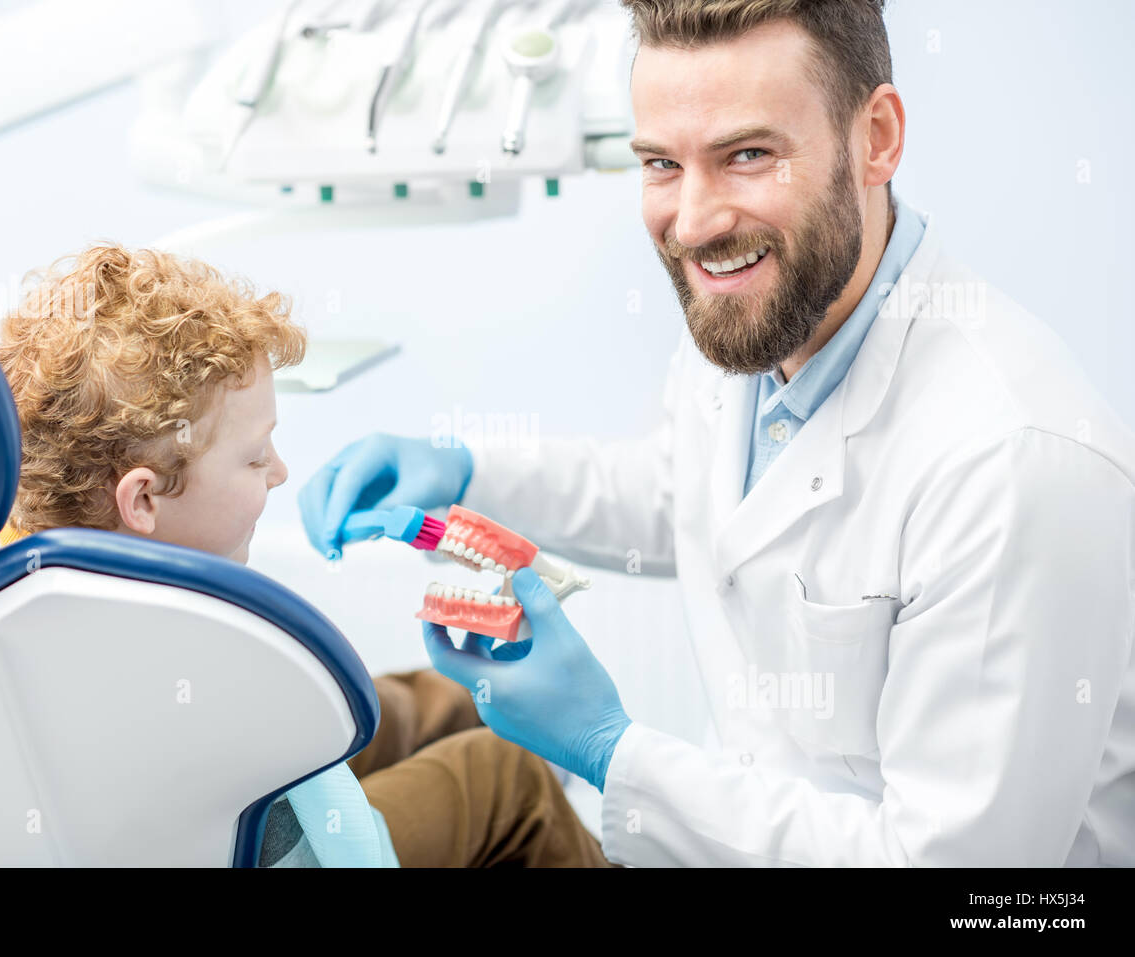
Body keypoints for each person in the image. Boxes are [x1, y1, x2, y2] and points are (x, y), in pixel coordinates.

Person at [299, 0, 1135, 866]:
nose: (694, 223)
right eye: (662, 163)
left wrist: (612, 751)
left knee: (486, 786)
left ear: (877, 137)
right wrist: (465, 472)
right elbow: (678, 495)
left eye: (747, 155)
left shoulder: (1016, 462)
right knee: (421, 736)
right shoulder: (762, 320)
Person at [0, 243, 610, 866]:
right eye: (257, 457)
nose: (281, 472)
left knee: (438, 701)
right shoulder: (231, 676)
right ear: (144, 498)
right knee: (505, 776)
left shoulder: (18, 582)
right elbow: (348, 852)